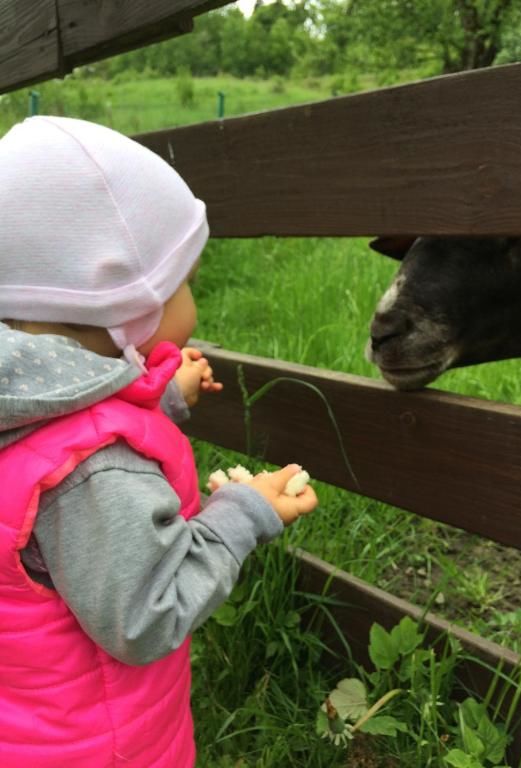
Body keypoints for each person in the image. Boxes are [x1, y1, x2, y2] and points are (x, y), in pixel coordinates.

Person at [0, 116, 318, 768]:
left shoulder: (24, 399)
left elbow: (59, 436)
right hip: (104, 746)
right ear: (130, 310)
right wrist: (243, 514)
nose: (191, 297)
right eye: (184, 280)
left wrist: (164, 399)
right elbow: (145, 611)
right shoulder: (96, 478)